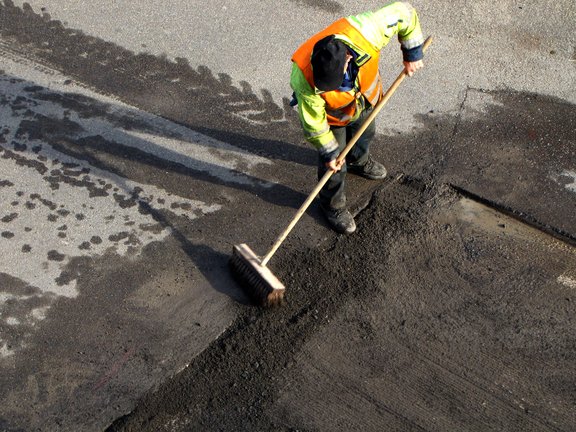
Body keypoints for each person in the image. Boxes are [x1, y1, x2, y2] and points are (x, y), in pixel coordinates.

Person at [290, 2, 425, 234]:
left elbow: (405, 12)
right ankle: (332, 205)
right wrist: (330, 152)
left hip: (365, 101)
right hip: (332, 118)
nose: (324, 89)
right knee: (332, 166)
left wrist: (412, 54)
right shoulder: (304, 77)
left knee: (366, 133)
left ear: (348, 60)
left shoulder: (367, 31)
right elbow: (313, 123)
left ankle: (358, 161)